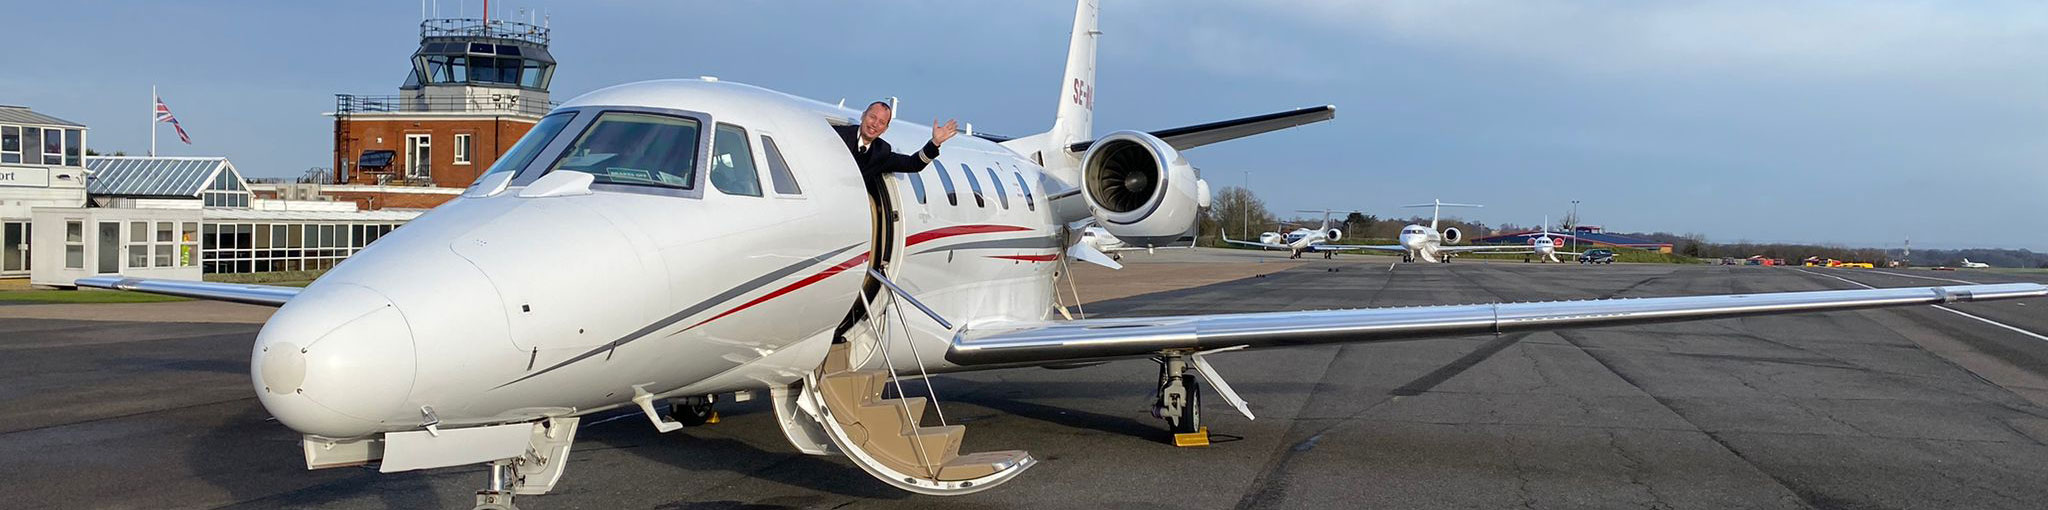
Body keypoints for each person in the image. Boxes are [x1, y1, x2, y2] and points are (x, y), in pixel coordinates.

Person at [834, 101, 959, 184]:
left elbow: (913, 164)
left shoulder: (881, 152)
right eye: (872, 117)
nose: (875, 124)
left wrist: (935, 143)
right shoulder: (837, 135)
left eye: (882, 122)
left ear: (885, 129)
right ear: (863, 116)